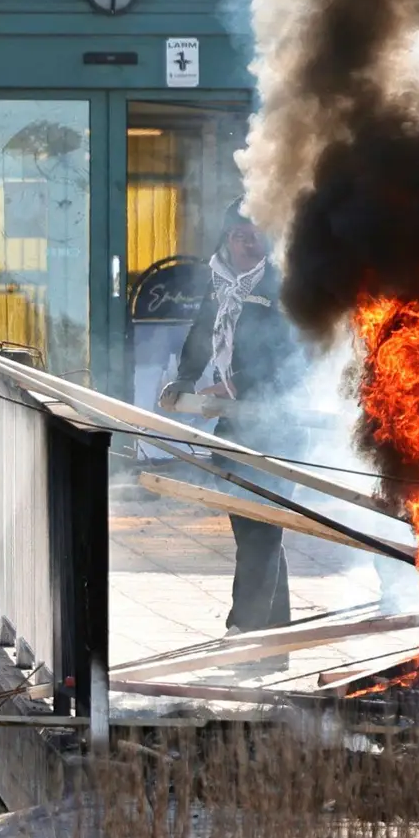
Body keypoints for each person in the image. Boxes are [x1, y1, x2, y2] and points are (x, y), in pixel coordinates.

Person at [161, 204, 305, 634]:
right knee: (256, 528)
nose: (249, 243)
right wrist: (185, 378)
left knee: (262, 526)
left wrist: (233, 386)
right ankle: (272, 638)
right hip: (237, 424)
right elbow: (203, 331)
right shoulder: (219, 279)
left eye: (256, 234)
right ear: (227, 238)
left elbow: (291, 353)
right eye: (241, 235)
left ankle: (243, 629)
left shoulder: (283, 282)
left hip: (278, 423)